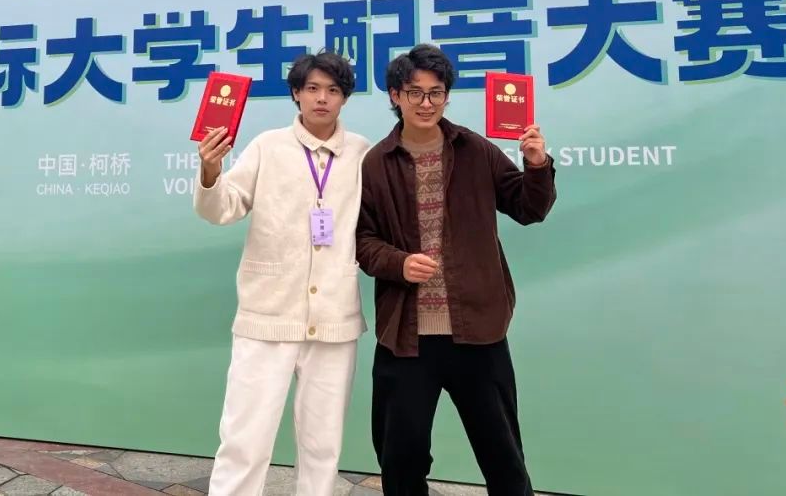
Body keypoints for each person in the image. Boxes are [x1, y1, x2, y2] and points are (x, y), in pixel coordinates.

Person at [356, 44, 557, 496]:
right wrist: (399, 263)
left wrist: (537, 165)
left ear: (447, 96)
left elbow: (529, 208)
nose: (426, 103)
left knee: (503, 458)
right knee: (400, 458)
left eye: (436, 93)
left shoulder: (475, 149)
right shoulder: (376, 162)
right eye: (415, 93)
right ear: (395, 96)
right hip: (406, 336)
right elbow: (363, 241)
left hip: (478, 331)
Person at [193, 50, 371, 496]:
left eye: (333, 90)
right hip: (266, 315)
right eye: (312, 88)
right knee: (244, 439)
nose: (322, 98)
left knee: (323, 444)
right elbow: (222, 208)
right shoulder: (267, 146)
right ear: (296, 94)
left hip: (334, 319)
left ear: (345, 98)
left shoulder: (363, 154)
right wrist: (211, 171)